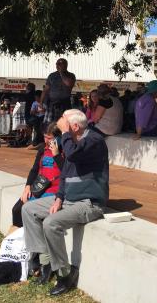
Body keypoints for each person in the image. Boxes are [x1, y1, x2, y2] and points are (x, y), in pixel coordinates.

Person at [22, 109, 108, 296]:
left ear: (74, 126)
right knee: (28, 209)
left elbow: (74, 155)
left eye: (63, 121)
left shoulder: (94, 141)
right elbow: (66, 174)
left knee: (51, 223)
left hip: (89, 202)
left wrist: (66, 134)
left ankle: (64, 273)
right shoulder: (72, 142)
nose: (60, 124)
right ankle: (46, 262)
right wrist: (59, 197)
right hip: (68, 199)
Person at [11, 123, 64, 229]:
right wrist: (27, 187)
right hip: (39, 187)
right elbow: (34, 170)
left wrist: (57, 155)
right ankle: (19, 239)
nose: (46, 141)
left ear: (58, 138)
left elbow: (67, 172)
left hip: (54, 190)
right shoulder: (42, 149)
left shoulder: (65, 151)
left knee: (38, 216)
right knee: (16, 209)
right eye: (45, 137)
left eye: (50, 138)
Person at [42, 58, 76, 126]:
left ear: (65, 65)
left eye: (60, 64)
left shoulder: (71, 75)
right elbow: (46, 89)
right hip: (52, 103)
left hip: (64, 103)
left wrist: (61, 73)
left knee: (64, 123)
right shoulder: (52, 75)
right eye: (57, 64)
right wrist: (41, 102)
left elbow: (69, 83)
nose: (57, 65)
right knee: (49, 125)